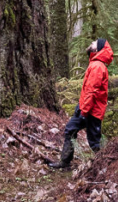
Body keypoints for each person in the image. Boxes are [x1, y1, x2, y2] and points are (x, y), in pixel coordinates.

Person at [49, 38, 114, 170]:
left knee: (94, 142)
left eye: (94, 42)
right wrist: (81, 107)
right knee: (70, 130)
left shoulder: (97, 66)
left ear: (98, 49)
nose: (92, 43)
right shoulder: (95, 64)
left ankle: (107, 168)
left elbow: (92, 91)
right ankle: (65, 162)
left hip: (91, 111)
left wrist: (84, 111)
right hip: (87, 108)